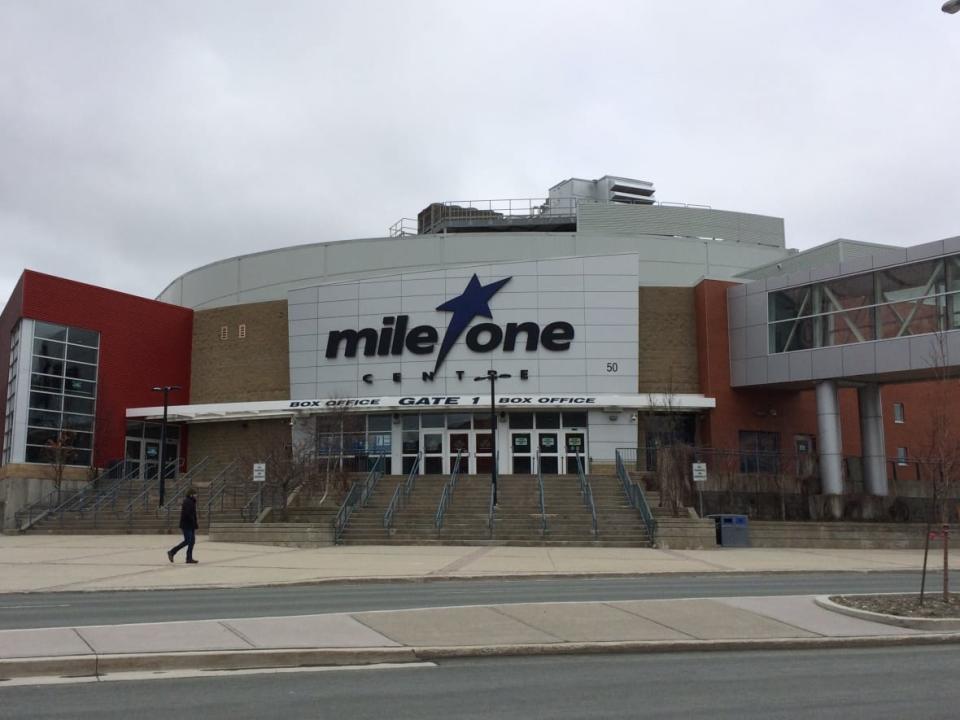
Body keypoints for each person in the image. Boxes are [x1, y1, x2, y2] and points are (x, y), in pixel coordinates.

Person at [167, 488, 199, 564]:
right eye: (195, 494)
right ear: (191, 494)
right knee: (188, 541)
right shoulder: (188, 502)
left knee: (192, 541)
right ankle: (172, 552)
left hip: (191, 525)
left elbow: (192, 514)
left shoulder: (192, 502)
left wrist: (195, 523)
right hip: (187, 525)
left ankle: (189, 558)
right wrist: (193, 521)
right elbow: (188, 514)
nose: (196, 495)